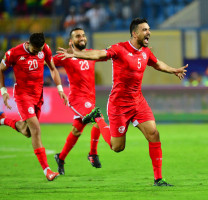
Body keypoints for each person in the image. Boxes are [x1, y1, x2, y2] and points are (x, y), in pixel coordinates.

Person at [57, 18, 188, 186]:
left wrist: (173, 70)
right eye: (145, 30)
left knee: (154, 134)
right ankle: (98, 119)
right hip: (119, 105)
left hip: (138, 102)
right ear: (135, 33)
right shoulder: (119, 49)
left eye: (149, 29)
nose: (149, 32)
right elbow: (98, 54)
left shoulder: (145, 52)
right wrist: (76, 54)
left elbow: (157, 64)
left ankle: (158, 179)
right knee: (117, 147)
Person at [0, 33, 68, 181]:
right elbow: (0, 69)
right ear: (28, 43)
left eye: (40, 49)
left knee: (27, 131)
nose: (38, 52)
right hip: (23, 96)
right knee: (36, 129)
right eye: (35, 49)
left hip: (38, 95)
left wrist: (60, 89)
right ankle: (47, 171)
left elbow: (53, 68)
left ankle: (3, 121)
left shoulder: (45, 49)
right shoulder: (14, 53)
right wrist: (4, 91)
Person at [52, 27, 111, 175]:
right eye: (78, 36)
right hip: (78, 99)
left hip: (90, 99)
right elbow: (48, 62)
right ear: (71, 41)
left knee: (76, 131)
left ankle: (60, 157)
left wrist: (114, 50)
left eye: (83, 35)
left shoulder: (90, 54)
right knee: (99, 118)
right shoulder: (66, 55)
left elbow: (107, 54)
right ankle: (93, 153)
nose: (82, 38)